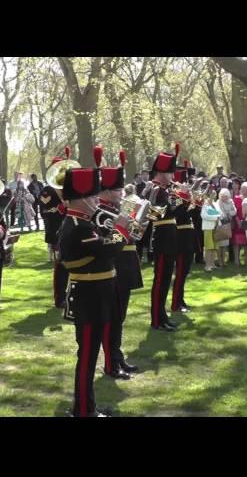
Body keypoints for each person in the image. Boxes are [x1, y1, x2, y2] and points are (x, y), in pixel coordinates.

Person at [58, 162, 132, 417]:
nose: (95, 198)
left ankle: (88, 405)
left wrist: (115, 229)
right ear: (79, 199)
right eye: (90, 195)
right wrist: (121, 227)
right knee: (88, 357)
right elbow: (107, 249)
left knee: (90, 355)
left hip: (99, 293)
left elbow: (104, 247)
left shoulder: (85, 223)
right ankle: (83, 409)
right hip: (89, 298)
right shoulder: (78, 227)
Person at [92, 148, 141, 380]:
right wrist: (122, 226)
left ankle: (117, 355)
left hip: (127, 262)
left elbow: (135, 236)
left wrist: (138, 222)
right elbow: (108, 242)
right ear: (108, 191)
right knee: (112, 318)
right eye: (119, 189)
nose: (123, 193)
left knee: (120, 316)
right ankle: (111, 363)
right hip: (114, 266)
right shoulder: (100, 211)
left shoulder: (117, 208)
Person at [145, 143, 181, 331]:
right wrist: (172, 204)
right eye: (169, 173)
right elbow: (152, 215)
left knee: (167, 278)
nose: (172, 176)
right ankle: (156, 319)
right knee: (160, 280)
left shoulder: (165, 190)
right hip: (160, 236)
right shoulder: (155, 189)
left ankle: (162, 316)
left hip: (170, 236)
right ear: (161, 172)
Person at [40, 151, 69, 308]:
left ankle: (70, 294)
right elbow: (44, 209)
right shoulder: (47, 189)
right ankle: (60, 298)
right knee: (61, 266)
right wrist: (58, 207)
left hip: (70, 229)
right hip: (56, 230)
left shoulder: (67, 187)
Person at [171, 167, 194, 313]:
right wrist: (183, 196)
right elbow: (177, 213)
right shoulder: (173, 196)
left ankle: (181, 299)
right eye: (183, 182)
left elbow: (191, 212)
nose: (186, 185)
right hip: (180, 237)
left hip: (188, 236)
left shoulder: (184, 196)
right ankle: (176, 303)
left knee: (185, 272)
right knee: (180, 272)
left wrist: (193, 201)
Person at [214, 188, 236, 267]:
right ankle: (220, 261)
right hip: (220, 224)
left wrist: (229, 213)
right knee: (219, 244)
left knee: (225, 244)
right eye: (223, 196)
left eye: (226, 196)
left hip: (227, 224)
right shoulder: (217, 202)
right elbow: (216, 212)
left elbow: (234, 211)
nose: (224, 198)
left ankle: (224, 261)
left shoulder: (230, 202)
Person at [201, 191, 220, 271]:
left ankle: (212, 264)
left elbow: (220, 214)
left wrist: (215, 214)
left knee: (214, 247)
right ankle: (207, 265)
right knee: (209, 247)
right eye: (211, 194)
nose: (213, 196)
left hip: (215, 227)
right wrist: (215, 217)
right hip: (208, 227)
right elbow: (204, 216)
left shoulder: (216, 204)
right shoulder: (205, 204)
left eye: (214, 194)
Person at [231, 178, 247, 267]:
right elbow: (235, 211)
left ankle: (246, 260)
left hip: (246, 220)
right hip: (238, 222)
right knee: (236, 242)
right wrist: (238, 222)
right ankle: (237, 260)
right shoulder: (236, 198)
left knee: (246, 242)